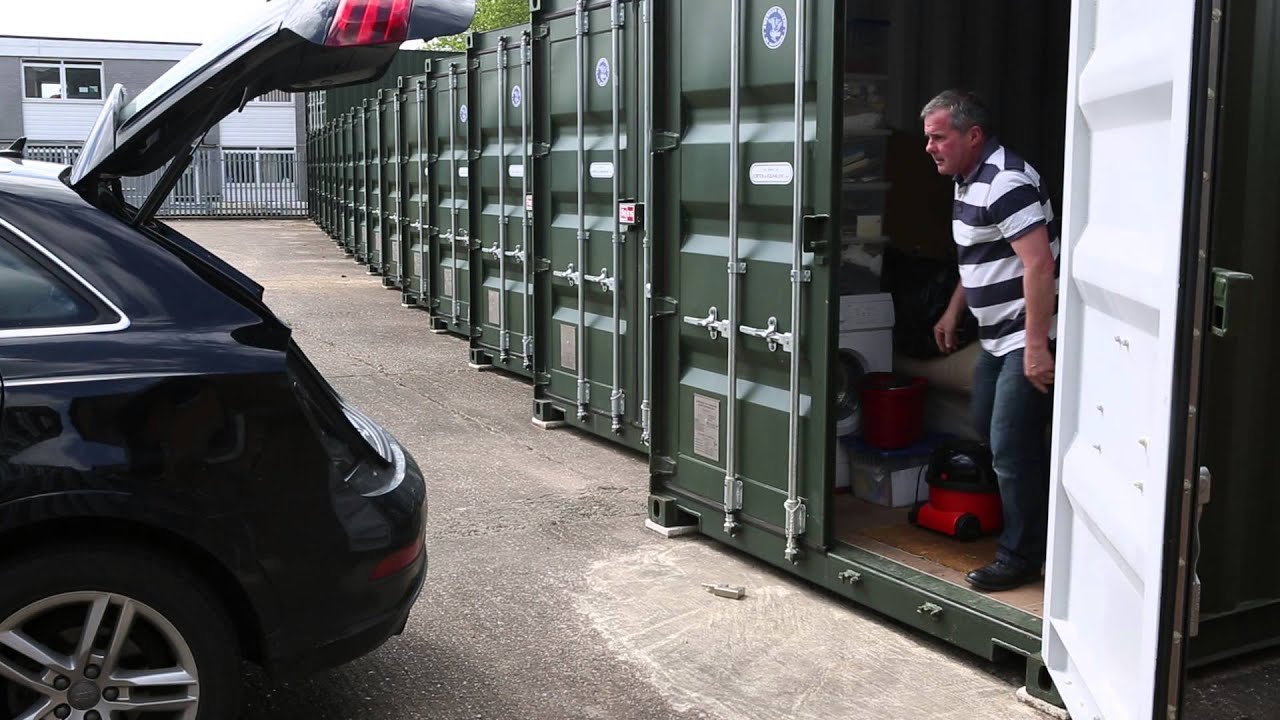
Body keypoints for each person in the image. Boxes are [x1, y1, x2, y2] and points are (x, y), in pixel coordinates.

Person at [921, 89, 1059, 592]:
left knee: (1008, 446)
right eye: (928, 139)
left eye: (939, 138)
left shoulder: (1005, 181)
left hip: (1029, 335)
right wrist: (954, 310)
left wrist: (1039, 345)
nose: (930, 148)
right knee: (994, 430)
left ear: (972, 135)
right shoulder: (966, 180)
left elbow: (1039, 264)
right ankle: (1038, 527)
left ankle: (1020, 556)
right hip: (996, 339)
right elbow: (978, 255)